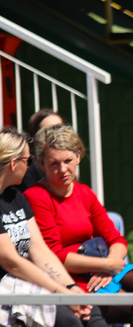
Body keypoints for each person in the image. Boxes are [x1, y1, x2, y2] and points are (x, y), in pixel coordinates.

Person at [24, 126, 133, 322]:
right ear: (41, 164)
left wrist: (109, 266)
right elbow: (54, 254)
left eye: (68, 161)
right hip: (68, 278)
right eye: (54, 163)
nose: (63, 169)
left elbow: (116, 238)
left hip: (103, 269)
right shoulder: (36, 196)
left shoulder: (84, 192)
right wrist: (106, 265)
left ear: (78, 156)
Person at [0, 128, 103, 327]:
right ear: (14, 164)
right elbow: (11, 261)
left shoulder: (16, 197)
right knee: (68, 320)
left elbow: (40, 251)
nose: (30, 168)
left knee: (91, 311)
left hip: (24, 285)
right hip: (8, 291)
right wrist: (62, 295)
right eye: (28, 161)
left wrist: (71, 287)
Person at [18, 109, 65, 191]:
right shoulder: (28, 168)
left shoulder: (69, 159)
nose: (56, 134)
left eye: (60, 128)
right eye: (49, 130)